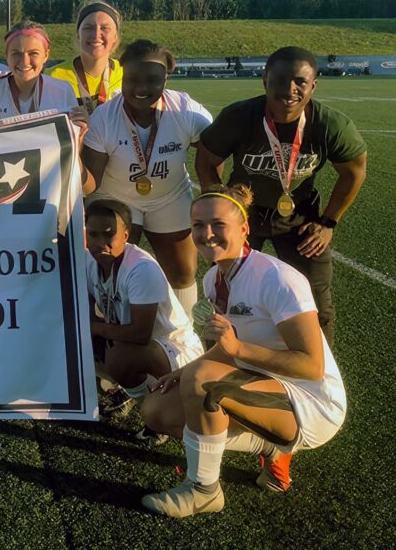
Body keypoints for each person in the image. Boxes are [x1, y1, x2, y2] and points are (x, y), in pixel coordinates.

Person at [139, 185, 345, 518]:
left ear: (244, 229)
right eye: (197, 225)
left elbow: (311, 366)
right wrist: (181, 371)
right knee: (158, 411)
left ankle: (204, 490)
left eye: (218, 224)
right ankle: (271, 446)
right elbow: (229, 351)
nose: (207, 234)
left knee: (204, 381)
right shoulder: (213, 279)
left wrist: (236, 350)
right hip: (264, 383)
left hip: (312, 402)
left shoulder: (278, 279)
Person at [195, 46, 367, 345]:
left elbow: (354, 171)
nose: (290, 89)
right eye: (280, 80)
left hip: (300, 217)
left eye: (300, 81)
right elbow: (206, 160)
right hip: (244, 214)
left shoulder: (330, 125)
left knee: (316, 301)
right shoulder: (239, 116)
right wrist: (223, 211)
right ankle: (221, 361)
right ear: (265, 80)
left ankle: (317, 375)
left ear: (314, 85)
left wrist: (328, 223)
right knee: (226, 294)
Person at [82, 40, 212, 317]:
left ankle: (182, 334)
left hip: (170, 196)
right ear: (121, 76)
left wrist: (213, 194)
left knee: (182, 273)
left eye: (152, 80)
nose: (141, 88)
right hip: (117, 198)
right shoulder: (104, 117)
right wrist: (70, 157)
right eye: (132, 80)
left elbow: (213, 151)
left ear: (166, 77)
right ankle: (116, 330)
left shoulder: (185, 109)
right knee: (113, 267)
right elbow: (91, 182)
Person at [84, 199, 203, 435]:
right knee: (72, 338)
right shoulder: (90, 259)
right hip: (135, 343)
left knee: (119, 355)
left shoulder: (141, 269)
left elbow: (140, 333)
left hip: (176, 350)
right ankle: (130, 388)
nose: (100, 244)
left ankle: (155, 414)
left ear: (126, 235)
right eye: (93, 235)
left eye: (109, 235)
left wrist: (93, 329)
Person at [0, 21, 76, 120]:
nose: (24, 62)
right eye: (16, 54)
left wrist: (79, 134)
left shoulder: (63, 91)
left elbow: (72, 137)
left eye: (33, 53)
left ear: (46, 55)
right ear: (7, 56)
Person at [48, 1, 124, 114]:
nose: (96, 34)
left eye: (105, 28)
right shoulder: (54, 77)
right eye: (89, 28)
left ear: (115, 37)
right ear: (78, 35)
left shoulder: (127, 74)